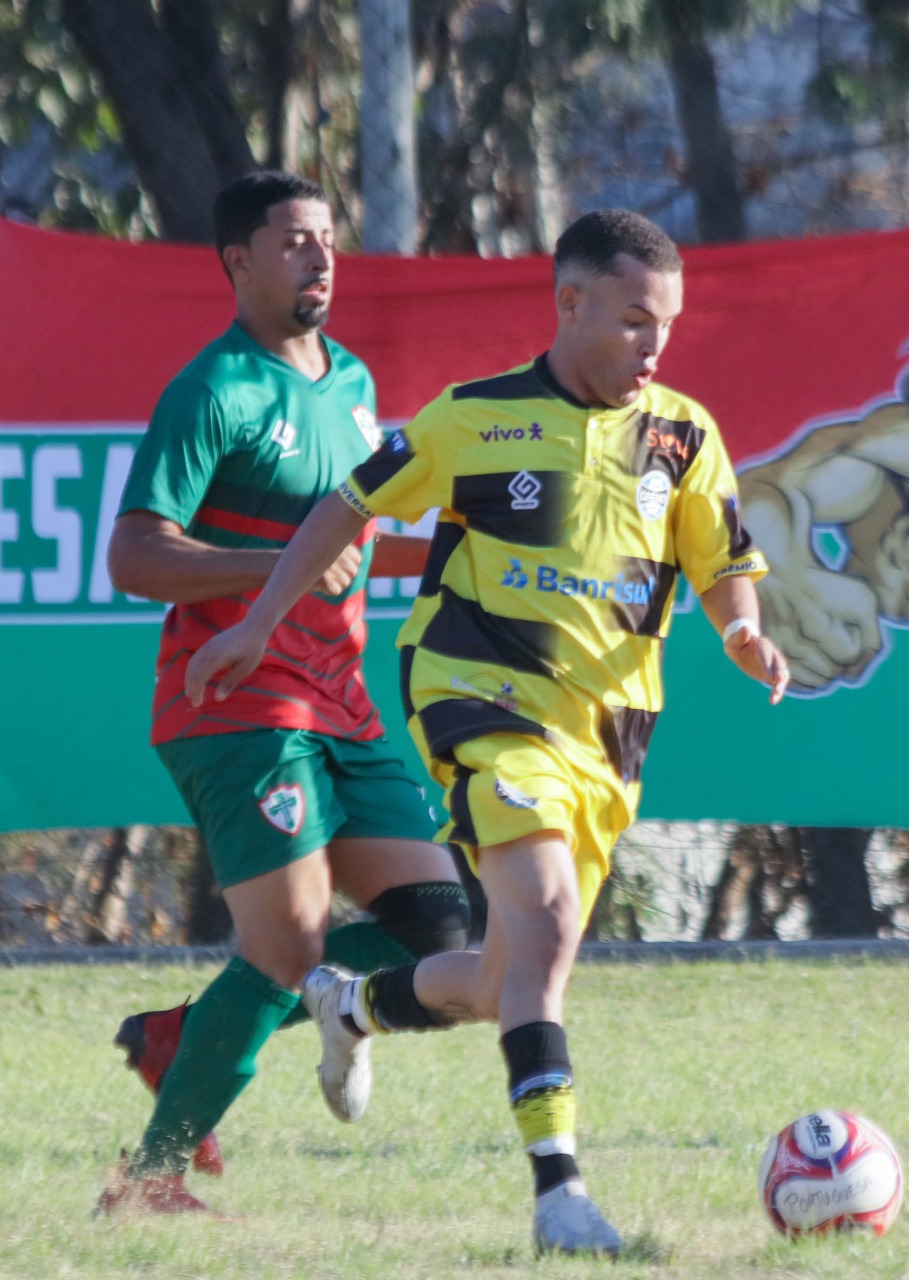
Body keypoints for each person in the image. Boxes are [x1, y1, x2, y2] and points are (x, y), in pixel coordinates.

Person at [183, 209, 790, 1254]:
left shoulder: (682, 436)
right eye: (635, 321)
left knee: (504, 975)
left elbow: (723, 559)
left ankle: (352, 1005)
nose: (656, 345)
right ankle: (560, 1197)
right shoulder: (475, 418)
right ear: (570, 302)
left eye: (669, 325)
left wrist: (742, 629)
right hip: (477, 694)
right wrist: (257, 620)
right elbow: (346, 505)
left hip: (605, 734)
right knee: (546, 925)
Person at [97, 171, 471, 1216]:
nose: (320, 257)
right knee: (288, 948)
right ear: (238, 262)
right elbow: (133, 554)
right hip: (236, 704)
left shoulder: (348, 380)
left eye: (328, 239)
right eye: (295, 240)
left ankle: (189, 1030)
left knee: (446, 933)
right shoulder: (213, 388)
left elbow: (349, 542)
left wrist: (461, 544)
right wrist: (272, 568)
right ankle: (147, 1181)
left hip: (340, 705)